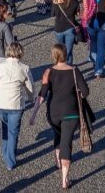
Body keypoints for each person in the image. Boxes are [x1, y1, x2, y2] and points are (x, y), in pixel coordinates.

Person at [36, 44, 90, 190]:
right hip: (71, 113)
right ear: (66, 54)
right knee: (66, 143)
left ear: (54, 56)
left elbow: (42, 94)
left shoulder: (48, 72)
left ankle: (58, 161)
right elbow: (85, 91)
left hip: (53, 113)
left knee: (58, 134)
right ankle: (64, 180)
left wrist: (33, 114)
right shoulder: (74, 71)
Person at [0, 41, 34, 171]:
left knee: (5, 129)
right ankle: (10, 160)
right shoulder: (24, 68)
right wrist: (31, 98)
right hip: (16, 105)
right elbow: (30, 87)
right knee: (13, 132)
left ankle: (6, 152)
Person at [52, 0, 80, 64]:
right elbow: (78, 13)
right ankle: (69, 69)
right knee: (68, 52)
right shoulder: (74, 0)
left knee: (60, 51)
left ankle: (61, 68)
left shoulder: (56, 1)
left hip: (58, 29)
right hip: (70, 29)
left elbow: (53, 14)